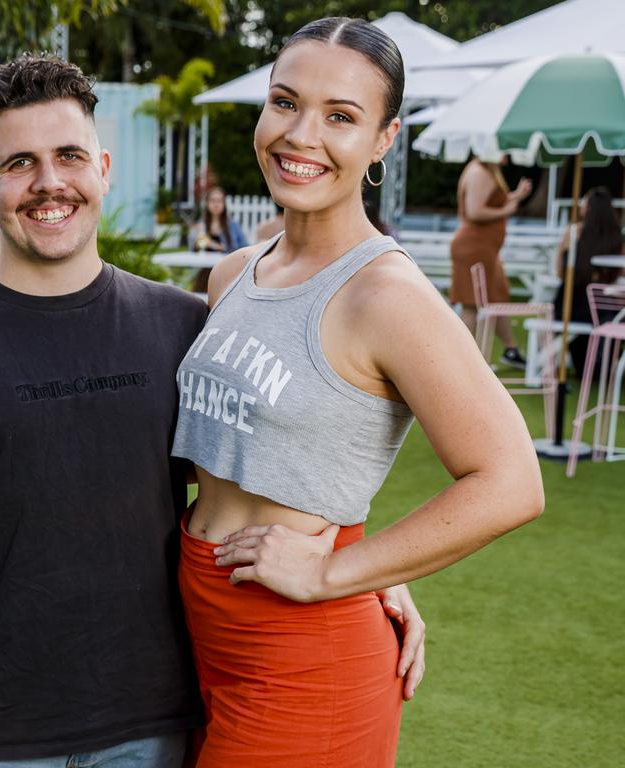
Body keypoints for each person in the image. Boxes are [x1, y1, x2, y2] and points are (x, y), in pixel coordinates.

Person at [0, 54, 424, 768]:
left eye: (69, 156)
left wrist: (368, 569)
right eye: (20, 164)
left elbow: (259, 477)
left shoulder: (183, 326)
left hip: (159, 727)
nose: (50, 183)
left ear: (102, 168)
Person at [172, 18, 543, 767]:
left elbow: (512, 482)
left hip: (305, 662)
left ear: (383, 140)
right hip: (196, 636)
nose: (300, 135)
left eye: (340, 117)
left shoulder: (387, 296)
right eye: (285, 103)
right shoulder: (232, 274)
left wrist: (340, 570)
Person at [449, 155, 533, 368]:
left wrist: (516, 196)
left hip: (485, 249)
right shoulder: (479, 172)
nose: (508, 155)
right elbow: (475, 211)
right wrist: (508, 210)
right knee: (472, 304)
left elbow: (489, 202)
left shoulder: (487, 171)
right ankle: (466, 361)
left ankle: (510, 350)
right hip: (474, 248)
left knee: (497, 297)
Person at [553, 186, 623, 372]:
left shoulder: (573, 232)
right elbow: (620, 274)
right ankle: (605, 363)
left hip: (569, 305)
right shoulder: (615, 237)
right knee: (615, 312)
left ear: (589, 208)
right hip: (600, 306)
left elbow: (559, 271)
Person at [189, 186, 248, 293]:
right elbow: (192, 251)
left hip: (226, 271)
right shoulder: (201, 225)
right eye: (212, 201)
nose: (216, 204)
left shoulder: (233, 225)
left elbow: (245, 248)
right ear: (207, 203)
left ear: (224, 204)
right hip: (203, 271)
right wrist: (196, 244)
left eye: (219, 201)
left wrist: (215, 245)